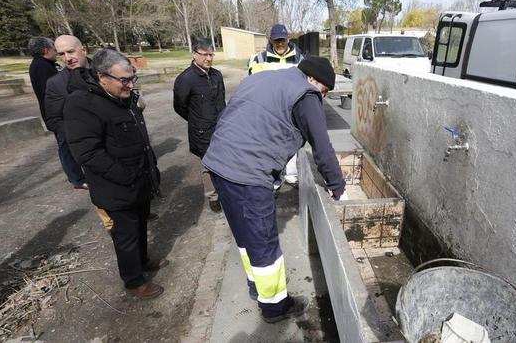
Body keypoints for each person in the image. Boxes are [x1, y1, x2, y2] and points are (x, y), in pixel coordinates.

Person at [203, 56, 346, 323]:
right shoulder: (306, 94)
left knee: (245, 236)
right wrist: (338, 187)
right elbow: (322, 150)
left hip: (218, 165)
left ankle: (256, 287)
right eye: (324, 92)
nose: (322, 98)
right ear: (314, 80)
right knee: (264, 242)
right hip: (248, 174)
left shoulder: (263, 77)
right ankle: (275, 307)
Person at [63, 49, 167, 299]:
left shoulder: (123, 95)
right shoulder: (82, 104)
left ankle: (142, 261)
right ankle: (133, 281)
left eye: (133, 79)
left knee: (140, 225)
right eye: (124, 80)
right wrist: (125, 175)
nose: (130, 85)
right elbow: (87, 153)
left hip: (139, 179)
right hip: (117, 186)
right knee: (126, 235)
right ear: (102, 77)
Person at [248, 23, 305, 186]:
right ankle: (274, 179)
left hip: (291, 109)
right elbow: (252, 85)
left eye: (283, 40)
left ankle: (291, 175)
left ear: (288, 39)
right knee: (270, 145)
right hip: (269, 111)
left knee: (293, 141)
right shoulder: (258, 59)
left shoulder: (300, 59)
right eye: (276, 41)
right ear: (270, 40)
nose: (280, 44)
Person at [173, 38, 226, 210]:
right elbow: (179, 106)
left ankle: (226, 192)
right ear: (194, 54)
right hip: (201, 133)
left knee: (225, 161)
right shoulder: (186, 79)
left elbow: (221, 101)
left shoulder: (216, 75)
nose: (208, 58)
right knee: (208, 166)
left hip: (221, 128)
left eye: (211, 54)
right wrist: (198, 119)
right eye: (204, 55)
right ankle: (213, 197)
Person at [43, 35, 88, 190]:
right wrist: (80, 135)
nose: (67, 58)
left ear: (83, 50)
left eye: (70, 51)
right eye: (61, 54)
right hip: (90, 150)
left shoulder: (105, 70)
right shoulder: (55, 84)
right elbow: (53, 120)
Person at [27, 36, 59, 122]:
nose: (56, 53)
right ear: (46, 50)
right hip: (56, 114)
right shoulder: (43, 66)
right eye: (54, 50)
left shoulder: (39, 64)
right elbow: (54, 91)